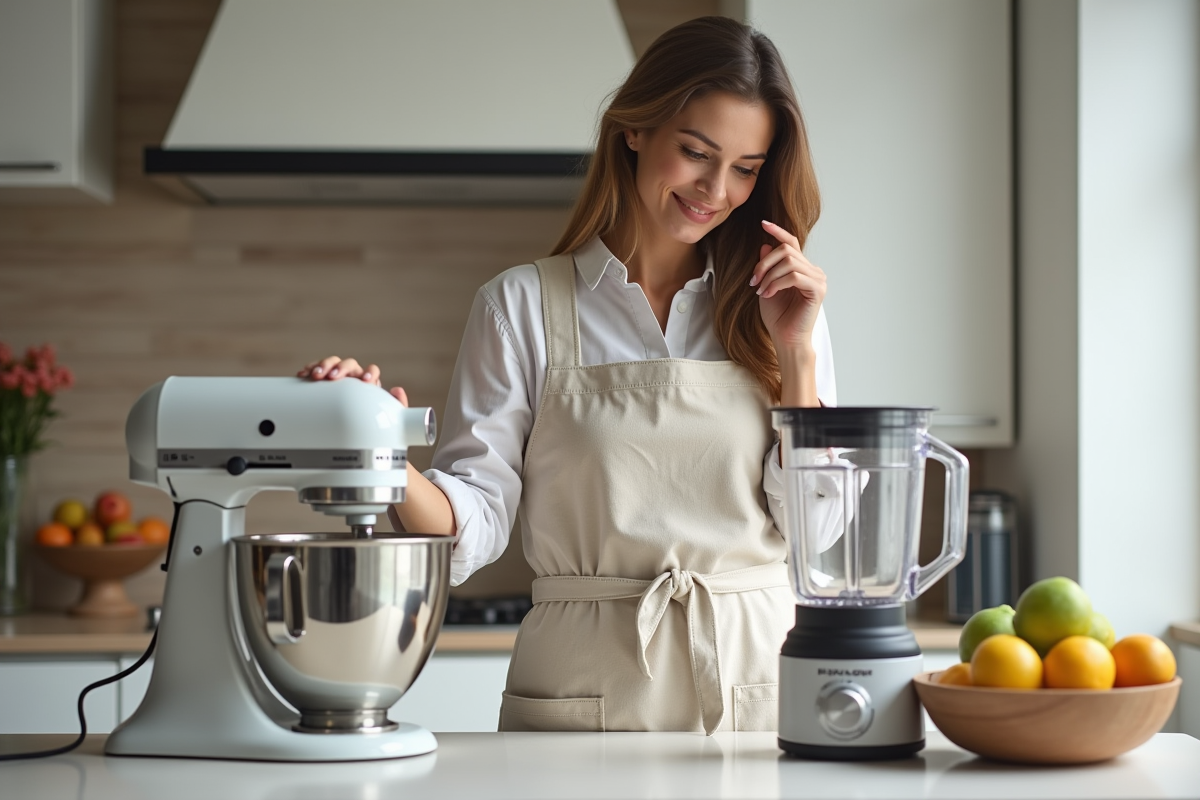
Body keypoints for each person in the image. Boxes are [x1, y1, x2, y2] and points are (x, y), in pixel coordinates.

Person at [299, 16, 835, 734]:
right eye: (696, 152)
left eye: (745, 167)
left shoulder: (783, 309)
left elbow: (819, 531)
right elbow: (474, 526)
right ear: (635, 130)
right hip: (584, 682)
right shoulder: (518, 306)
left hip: (754, 676)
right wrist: (381, 452)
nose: (716, 189)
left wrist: (796, 352)